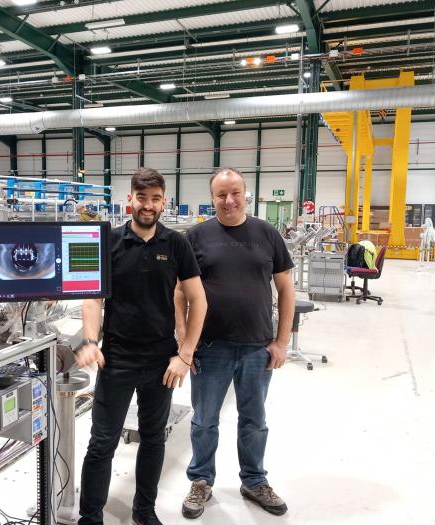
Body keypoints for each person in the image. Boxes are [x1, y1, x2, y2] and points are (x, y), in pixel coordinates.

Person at [76, 167, 207, 525]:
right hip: (116, 360)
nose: (148, 205)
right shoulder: (108, 241)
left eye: (155, 199)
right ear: (129, 199)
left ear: (163, 202)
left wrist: (185, 354)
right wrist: (91, 339)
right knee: (102, 442)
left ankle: (144, 511)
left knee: (153, 439)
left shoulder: (176, 243)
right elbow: (92, 298)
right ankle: (90, 517)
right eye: (141, 197)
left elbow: (199, 300)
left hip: (160, 362)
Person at [175, 167, 295, 519]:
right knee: (204, 421)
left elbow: (287, 289)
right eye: (221, 195)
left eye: (234, 193)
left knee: (254, 420)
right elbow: (179, 293)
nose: (228, 201)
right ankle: (200, 481)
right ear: (212, 197)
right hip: (209, 348)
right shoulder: (195, 238)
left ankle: (255, 481)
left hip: (258, 348)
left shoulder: (267, 233)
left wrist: (282, 341)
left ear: (246, 194)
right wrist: (185, 343)